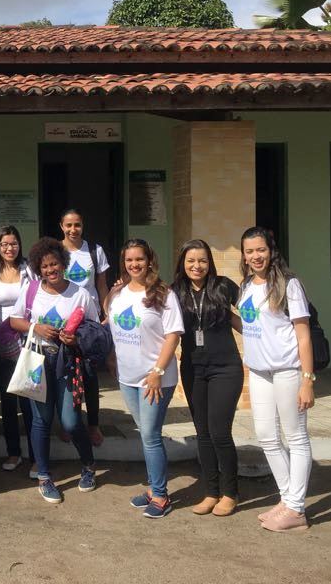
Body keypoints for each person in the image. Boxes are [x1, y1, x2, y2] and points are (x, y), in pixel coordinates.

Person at [9, 237, 98, 504]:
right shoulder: (32, 290)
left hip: (68, 362)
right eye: (45, 266)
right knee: (41, 420)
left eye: (55, 264)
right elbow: (14, 320)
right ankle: (44, 477)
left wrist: (76, 339)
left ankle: (89, 465)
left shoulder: (80, 293)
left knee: (70, 421)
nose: (51, 270)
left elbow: (93, 328)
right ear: (38, 268)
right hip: (38, 362)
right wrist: (36, 328)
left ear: (63, 263)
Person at [239, 226, 315, 532]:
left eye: (261, 250)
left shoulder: (288, 284)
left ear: (271, 251)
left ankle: (296, 508)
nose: (256, 256)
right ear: (243, 255)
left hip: (288, 370)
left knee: (295, 436)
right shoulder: (246, 284)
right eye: (249, 251)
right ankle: (287, 500)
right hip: (259, 371)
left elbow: (303, 334)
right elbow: (250, 324)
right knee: (267, 436)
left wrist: (307, 379)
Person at [106, 238, 183, 519]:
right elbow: (112, 327)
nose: (134, 264)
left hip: (155, 378)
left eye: (139, 259)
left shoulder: (163, 293)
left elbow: (173, 335)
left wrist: (157, 372)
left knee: (150, 436)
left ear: (149, 260)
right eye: (129, 260)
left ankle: (161, 496)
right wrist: (112, 359)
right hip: (127, 377)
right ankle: (153, 488)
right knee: (146, 435)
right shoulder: (118, 293)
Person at [170, 239, 242, 517]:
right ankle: (211, 492)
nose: (196, 266)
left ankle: (230, 492)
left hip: (226, 367)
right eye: (191, 261)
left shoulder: (223, 286)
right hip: (192, 368)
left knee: (220, 432)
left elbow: (252, 311)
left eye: (202, 260)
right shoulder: (175, 291)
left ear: (209, 262)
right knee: (203, 433)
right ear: (183, 264)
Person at [0, 225, 36, 473]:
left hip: (26, 340)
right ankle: (13, 452)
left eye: (13, 243)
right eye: (4, 244)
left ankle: (36, 455)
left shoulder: (29, 269)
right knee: (7, 398)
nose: (9, 248)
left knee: (29, 398)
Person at [58, 209, 109, 447]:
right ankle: (70, 422)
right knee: (67, 373)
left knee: (89, 375)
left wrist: (105, 315)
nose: (73, 229)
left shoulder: (94, 251)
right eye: (68, 225)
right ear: (61, 226)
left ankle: (93, 425)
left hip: (88, 323)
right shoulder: (56, 251)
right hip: (63, 321)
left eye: (77, 225)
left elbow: (102, 285)